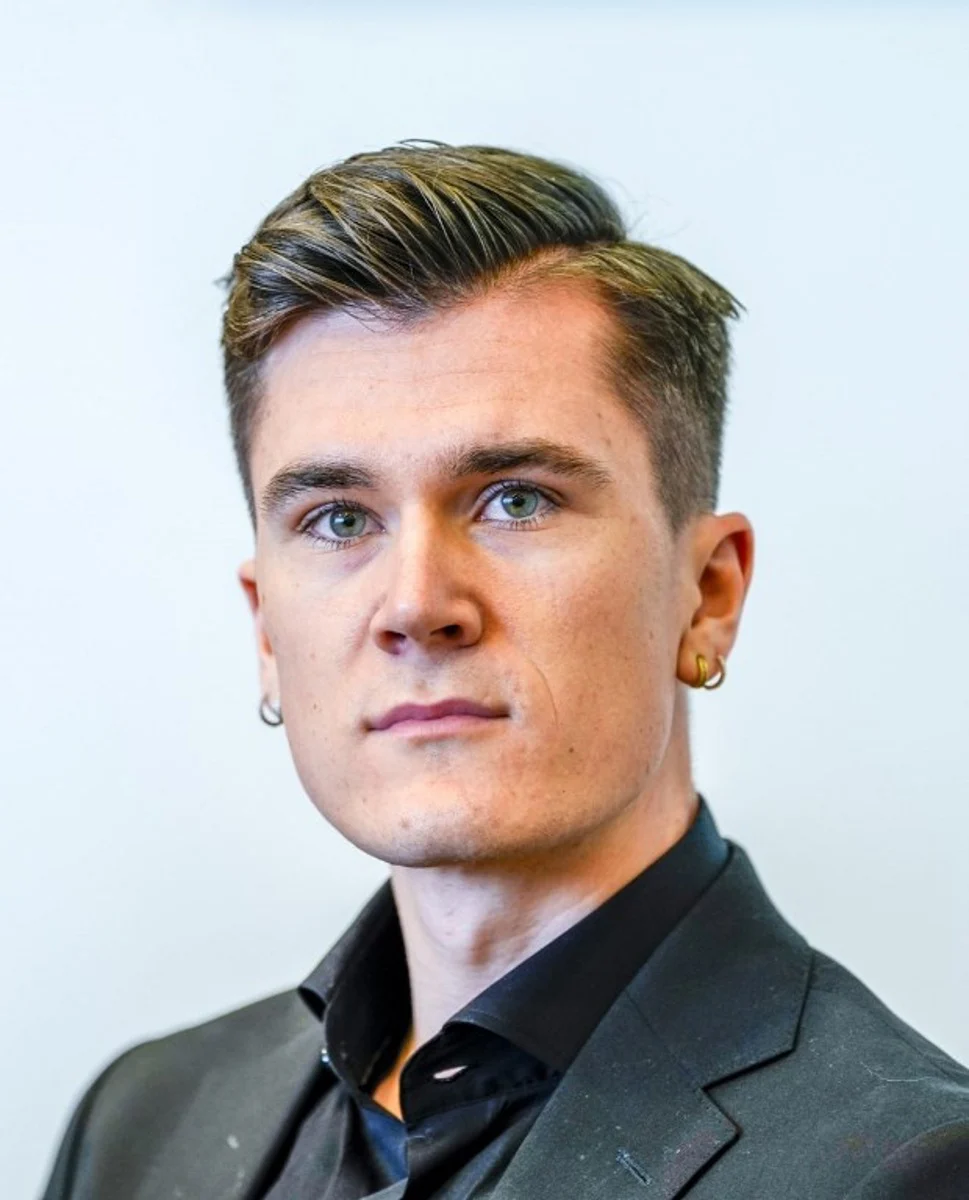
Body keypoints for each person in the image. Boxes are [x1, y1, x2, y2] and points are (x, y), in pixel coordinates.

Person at [40, 141, 969, 1200]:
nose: (415, 604)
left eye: (515, 500)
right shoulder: (139, 1125)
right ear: (266, 631)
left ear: (708, 593)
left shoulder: (915, 1170)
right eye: (338, 519)